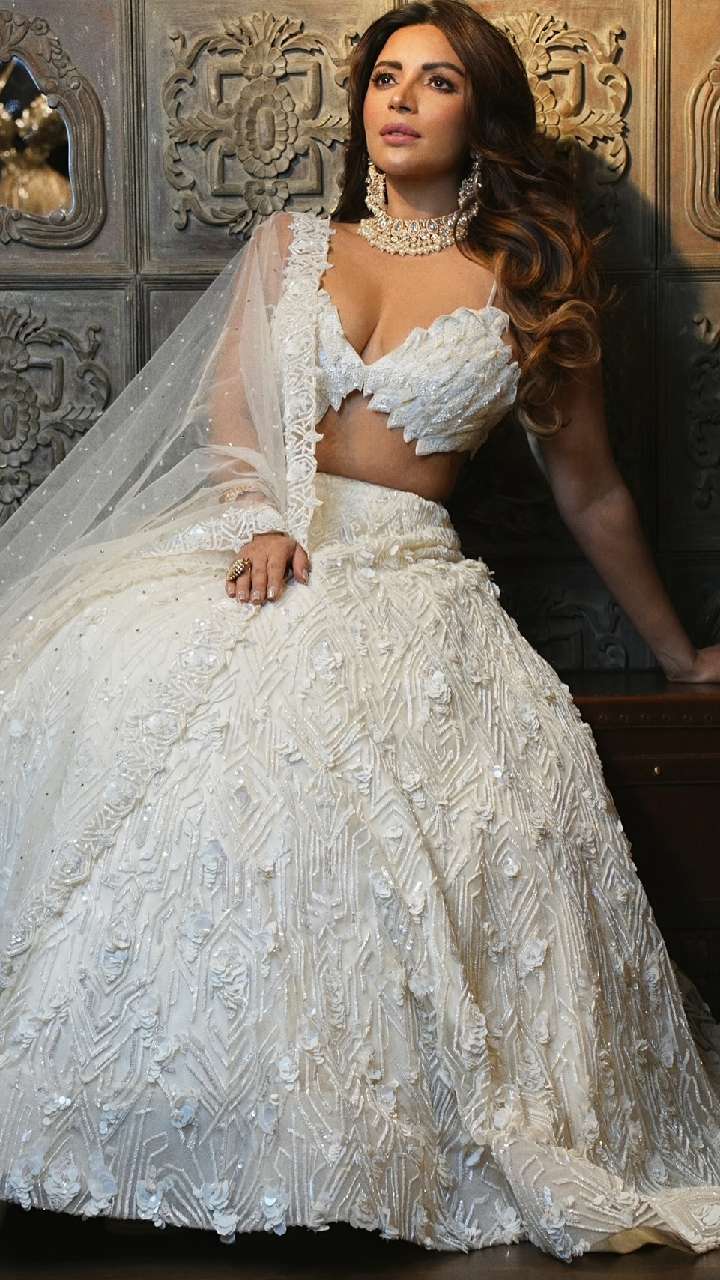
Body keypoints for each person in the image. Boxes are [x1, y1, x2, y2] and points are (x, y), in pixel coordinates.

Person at [0, 0, 719, 1263]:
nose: (400, 99)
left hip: (410, 581)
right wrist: (261, 520)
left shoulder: (526, 283)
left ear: (481, 116)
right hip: (261, 547)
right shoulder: (292, 245)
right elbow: (233, 412)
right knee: (106, 699)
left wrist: (678, 653)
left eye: (436, 81)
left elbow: (593, 489)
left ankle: (350, 1140)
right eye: (387, 76)